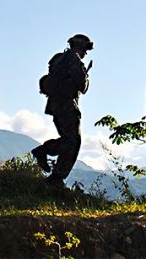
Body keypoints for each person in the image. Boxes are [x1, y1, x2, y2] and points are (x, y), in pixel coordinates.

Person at [31, 34, 93, 188]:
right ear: (81, 47)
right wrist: (85, 74)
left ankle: (48, 161)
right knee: (73, 141)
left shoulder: (59, 59)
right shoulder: (74, 60)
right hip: (67, 105)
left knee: (68, 139)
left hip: (55, 104)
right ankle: (56, 177)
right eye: (86, 49)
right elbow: (82, 86)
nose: (86, 53)